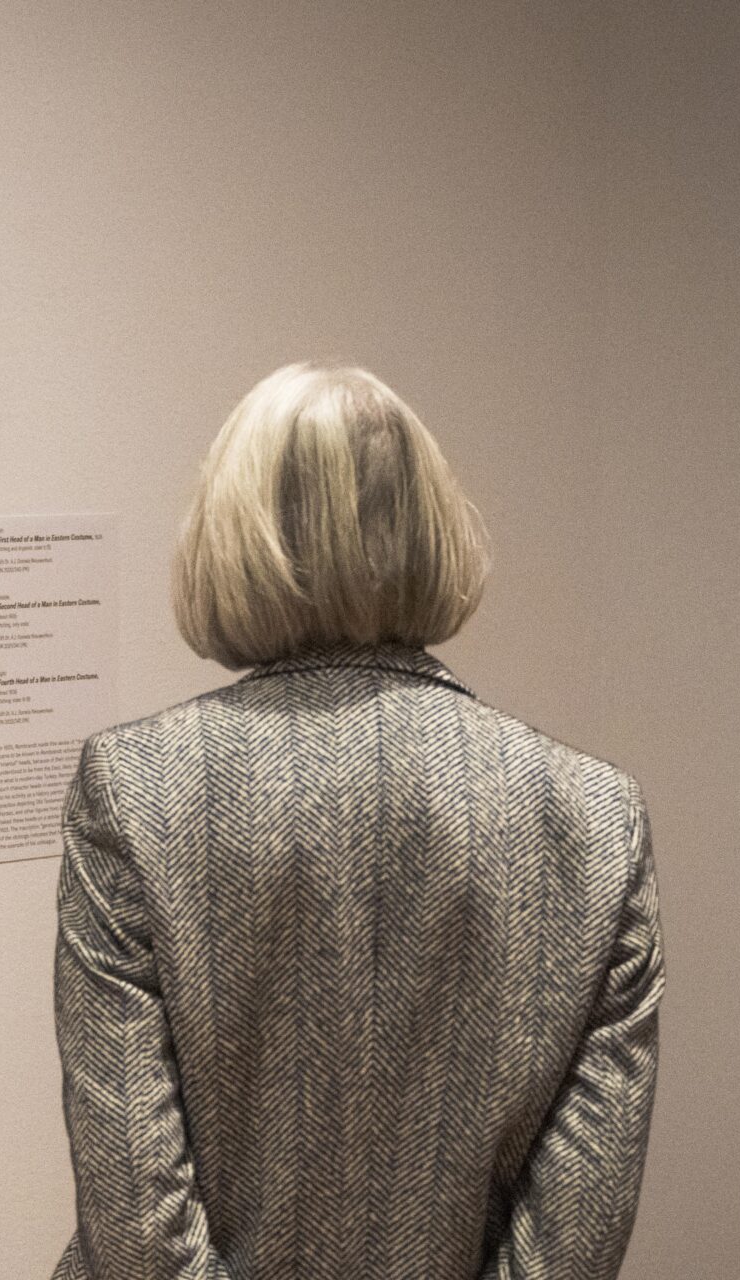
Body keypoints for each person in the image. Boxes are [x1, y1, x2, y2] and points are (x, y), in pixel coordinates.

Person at [51, 363, 662, 1280]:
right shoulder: (594, 819)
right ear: (431, 530)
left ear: (231, 537)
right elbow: (570, 1245)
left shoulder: (136, 790)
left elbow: (139, 1224)